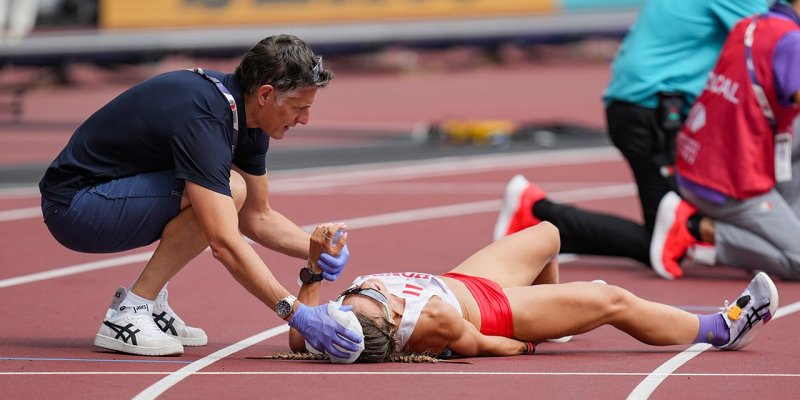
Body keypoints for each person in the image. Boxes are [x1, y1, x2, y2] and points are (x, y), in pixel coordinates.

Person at [38, 34, 362, 358]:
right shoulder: (205, 116)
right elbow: (223, 242)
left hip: (108, 193)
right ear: (266, 94)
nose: (304, 119)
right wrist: (296, 313)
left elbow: (256, 215)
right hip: (76, 205)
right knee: (229, 189)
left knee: (231, 192)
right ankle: (131, 311)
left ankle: (147, 302)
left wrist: (314, 247)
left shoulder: (248, 119)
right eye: (298, 107)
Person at [493, 0, 769, 270]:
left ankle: (537, 221)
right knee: (668, 240)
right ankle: (536, 213)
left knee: (675, 230)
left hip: (645, 108)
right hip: (650, 112)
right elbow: (775, 41)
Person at [282, 222, 778, 363]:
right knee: (611, 301)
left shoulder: (335, 325)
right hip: (496, 313)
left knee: (548, 234)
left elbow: (298, 333)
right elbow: (480, 344)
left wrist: (312, 267)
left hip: (462, 280)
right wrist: (525, 341)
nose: (348, 303)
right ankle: (724, 328)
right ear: (388, 325)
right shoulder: (427, 322)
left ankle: (558, 316)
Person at [650, 0, 800, 281]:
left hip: (697, 162)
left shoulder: (749, 25)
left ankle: (780, 234)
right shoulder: (791, 41)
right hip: (730, 184)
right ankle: (696, 230)